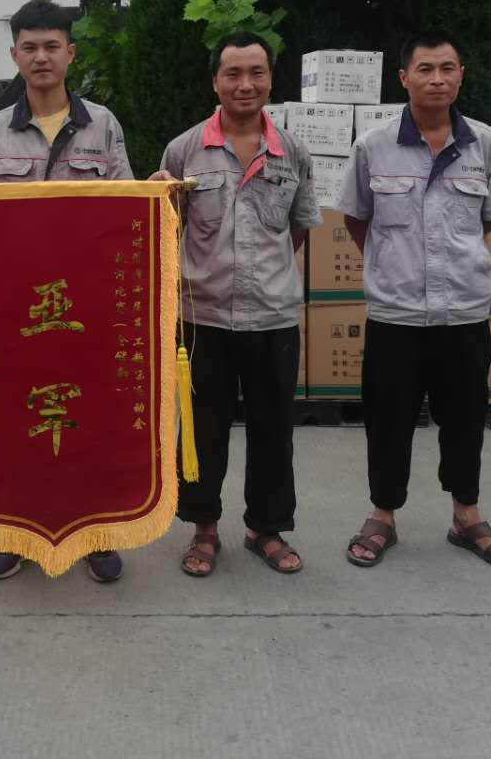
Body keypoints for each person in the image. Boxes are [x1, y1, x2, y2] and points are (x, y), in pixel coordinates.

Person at [0, 0, 134, 582]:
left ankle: (96, 532)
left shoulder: (102, 125)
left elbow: (127, 206)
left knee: (90, 417)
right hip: (17, 310)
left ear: (70, 53)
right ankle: (15, 533)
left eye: (52, 46)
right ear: (14, 55)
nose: (41, 57)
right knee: (17, 419)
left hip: (85, 308)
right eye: (29, 47)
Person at [335, 36, 491, 570]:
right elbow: (356, 217)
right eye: (425, 69)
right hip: (395, 313)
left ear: (461, 75)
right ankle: (382, 515)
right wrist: (394, 265)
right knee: (387, 419)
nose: (436, 79)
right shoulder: (373, 146)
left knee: (465, 419)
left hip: (463, 311)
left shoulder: (484, 144)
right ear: (404, 78)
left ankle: (467, 516)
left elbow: (489, 218)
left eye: (447, 68)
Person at [153, 33, 322, 577]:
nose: (245, 84)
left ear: (270, 79)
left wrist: (264, 275)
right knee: (202, 429)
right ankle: (203, 528)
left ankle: (265, 528)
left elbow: (298, 228)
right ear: (215, 82)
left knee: (274, 429)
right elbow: (167, 229)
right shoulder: (183, 151)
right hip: (202, 317)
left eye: (256, 73)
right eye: (233, 74)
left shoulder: (292, 151)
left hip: (273, 316)